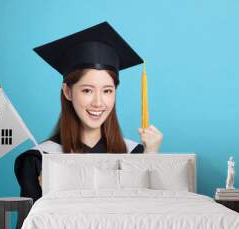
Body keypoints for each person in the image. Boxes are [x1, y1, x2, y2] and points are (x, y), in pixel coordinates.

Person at [14, 22, 163, 202]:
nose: (98, 102)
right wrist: (47, 199)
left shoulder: (135, 154)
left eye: (107, 91)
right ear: (68, 92)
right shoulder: (38, 160)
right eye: (87, 90)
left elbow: (148, 221)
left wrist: (151, 157)